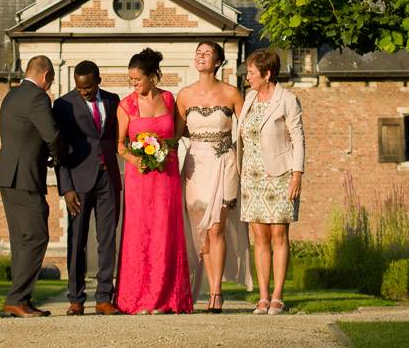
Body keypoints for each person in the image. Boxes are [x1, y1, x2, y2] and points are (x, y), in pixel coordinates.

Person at [115, 48, 192, 314]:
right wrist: (134, 159)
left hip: (167, 178)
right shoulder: (126, 105)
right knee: (140, 235)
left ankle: (166, 298)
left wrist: (166, 149)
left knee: (165, 233)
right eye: (131, 79)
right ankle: (138, 298)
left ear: (152, 76)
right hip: (139, 180)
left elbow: (178, 135)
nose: (133, 84)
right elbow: (120, 145)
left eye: (137, 79)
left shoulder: (169, 99)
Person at [177, 41, 252, 312]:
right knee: (202, 232)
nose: (201, 56)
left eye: (207, 53)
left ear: (218, 62)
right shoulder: (184, 95)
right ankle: (210, 287)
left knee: (216, 228)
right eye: (198, 52)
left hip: (224, 164)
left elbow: (247, 131)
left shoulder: (232, 93)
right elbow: (177, 133)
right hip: (196, 166)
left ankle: (216, 293)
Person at [237, 48, 305, 315]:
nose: (248, 77)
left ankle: (278, 296)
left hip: (280, 175)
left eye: (252, 73)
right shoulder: (249, 98)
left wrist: (297, 175)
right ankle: (263, 296)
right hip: (251, 177)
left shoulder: (287, 100)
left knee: (278, 235)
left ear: (267, 74)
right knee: (259, 237)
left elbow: (298, 139)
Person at [52, 60, 123, 316]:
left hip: (108, 180)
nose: (84, 92)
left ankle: (104, 298)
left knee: (107, 240)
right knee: (77, 240)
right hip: (78, 183)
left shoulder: (113, 101)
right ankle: (76, 299)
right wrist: (66, 188)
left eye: (88, 88)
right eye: (79, 88)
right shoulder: (63, 105)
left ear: (98, 81)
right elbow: (59, 150)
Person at [0, 55, 61, 318]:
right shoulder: (37, 97)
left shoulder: (11, 96)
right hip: (25, 177)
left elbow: (23, 135)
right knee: (36, 236)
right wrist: (60, 156)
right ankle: (16, 299)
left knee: (21, 240)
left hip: (7, 176)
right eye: (50, 81)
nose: (49, 86)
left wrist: (43, 155)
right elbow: (51, 134)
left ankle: (22, 299)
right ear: (46, 76)